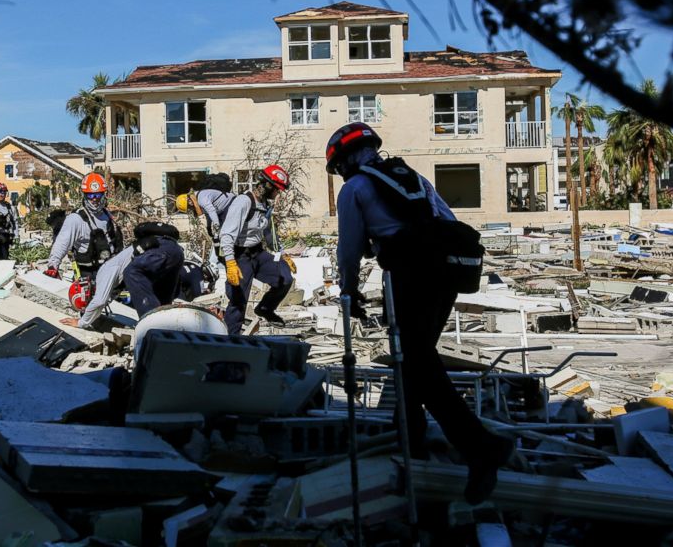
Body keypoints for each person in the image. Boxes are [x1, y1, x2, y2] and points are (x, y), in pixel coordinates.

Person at [327, 121, 513, 506]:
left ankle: (481, 448)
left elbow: (349, 249)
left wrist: (349, 288)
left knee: (416, 362)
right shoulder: (412, 178)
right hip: (445, 274)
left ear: (343, 160)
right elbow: (444, 218)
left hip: (409, 275)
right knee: (414, 360)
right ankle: (410, 439)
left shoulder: (354, 189)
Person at [61, 221, 184, 330]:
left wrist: (82, 322)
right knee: (162, 304)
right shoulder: (110, 280)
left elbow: (99, 302)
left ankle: (151, 326)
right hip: (175, 252)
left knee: (132, 272)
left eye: (88, 306)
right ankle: (168, 330)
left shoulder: (103, 274)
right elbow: (103, 301)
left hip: (160, 249)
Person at [219, 164, 296, 335]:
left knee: (284, 277)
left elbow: (267, 232)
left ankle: (265, 308)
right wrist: (230, 262)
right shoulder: (244, 202)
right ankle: (231, 339)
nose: (278, 194)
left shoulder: (265, 205)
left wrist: (282, 254)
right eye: (277, 190)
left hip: (258, 253)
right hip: (240, 257)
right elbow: (226, 235)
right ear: (268, 185)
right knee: (239, 300)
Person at [43, 172, 122, 283]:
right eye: (91, 195)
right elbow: (62, 243)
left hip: (110, 270)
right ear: (85, 195)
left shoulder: (107, 215)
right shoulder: (75, 219)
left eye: (98, 195)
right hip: (88, 274)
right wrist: (53, 266)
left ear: (104, 195)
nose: (94, 199)